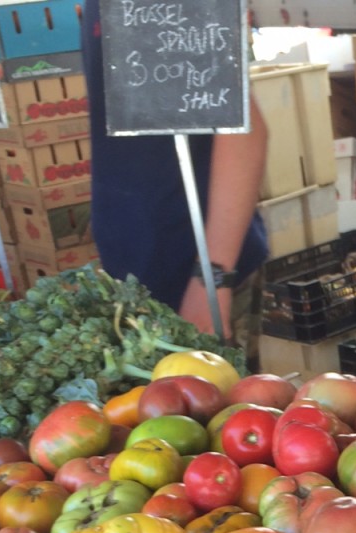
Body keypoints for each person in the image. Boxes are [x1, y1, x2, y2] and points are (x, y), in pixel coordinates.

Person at [80, 0, 268, 361]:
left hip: (195, 270)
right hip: (134, 273)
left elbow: (243, 130)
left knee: (218, 396)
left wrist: (212, 278)